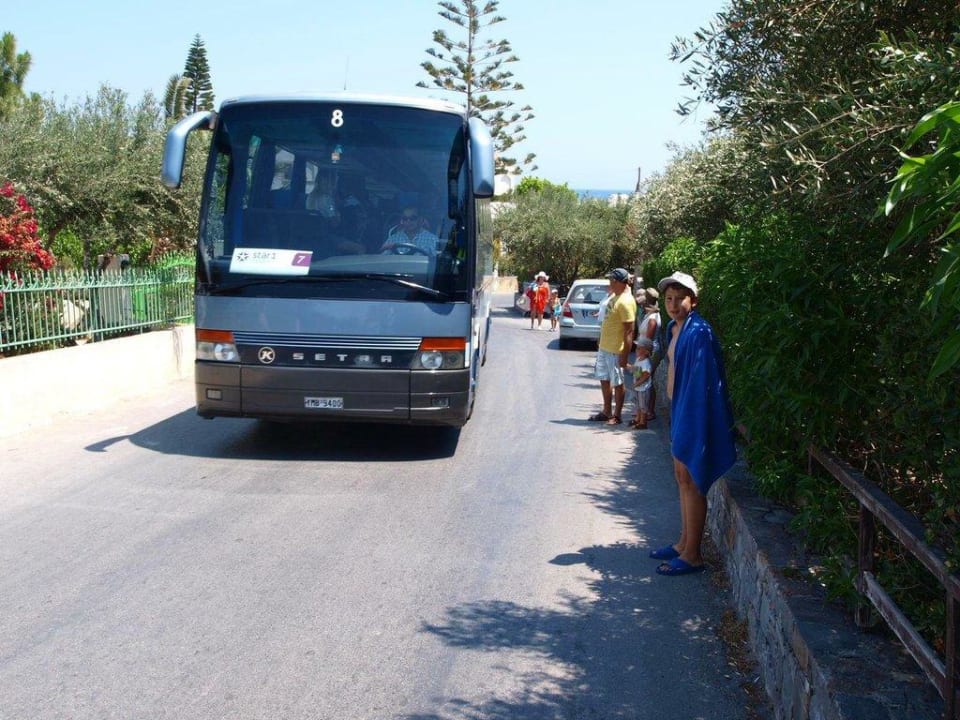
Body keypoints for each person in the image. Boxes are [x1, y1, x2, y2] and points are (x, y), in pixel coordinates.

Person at [650, 271, 737, 576]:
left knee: (692, 479)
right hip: (680, 409)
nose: (672, 304)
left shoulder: (698, 332)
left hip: (692, 412)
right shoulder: (677, 328)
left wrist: (694, 422)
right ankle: (683, 543)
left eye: (679, 299)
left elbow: (704, 384)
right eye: (668, 299)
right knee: (682, 478)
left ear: (694, 300)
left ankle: (692, 555)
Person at [588, 268, 636, 426]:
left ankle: (617, 415)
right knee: (604, 378)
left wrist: (624, 355)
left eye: (612, 280)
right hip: (605, 347)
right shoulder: (615, 297)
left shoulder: (626, 301)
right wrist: (601, 339)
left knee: (618, 382)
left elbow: (629, 331)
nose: (610, 282)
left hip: (616, 349)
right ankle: (606, 411)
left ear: (618, 282)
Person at [636, 287, 662, 420]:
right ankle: (644, 410)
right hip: (647, 351)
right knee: (645, 380)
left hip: (649, 353)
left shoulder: (652, 318)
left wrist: (642, 355)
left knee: (646, 380)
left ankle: (647, 411)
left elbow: (648, 341)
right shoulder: (651, 315)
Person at [626, 336, 653, 429]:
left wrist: (637, 383)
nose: (636, 349)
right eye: (636, 347)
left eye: (639, 348)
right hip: (638, 387)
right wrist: (628, 366)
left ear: (646, 351)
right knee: (638, 405)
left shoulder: (645, 362)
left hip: (643, 388)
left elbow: (646, 375)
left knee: (643, 405)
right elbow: (636, 369)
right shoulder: (638, 360)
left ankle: (643, 422)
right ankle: (638, 419)